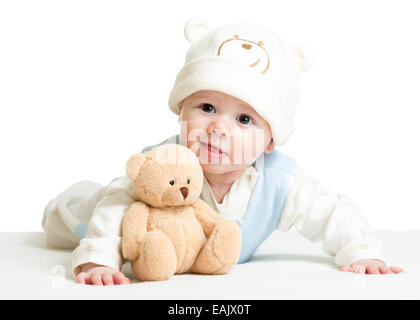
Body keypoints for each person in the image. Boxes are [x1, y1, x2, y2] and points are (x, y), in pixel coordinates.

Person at [42, 18, 403, 286]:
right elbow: (117, 206)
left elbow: (330, 211)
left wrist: (362, 252)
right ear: (180, 109)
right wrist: (98, 260)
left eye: (244, 119)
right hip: (91, 217)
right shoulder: (165, 161)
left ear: (271, 140)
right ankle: (59, 208)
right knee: (78, 213)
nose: (218, 128)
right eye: (207, 108)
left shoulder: (279, 180)